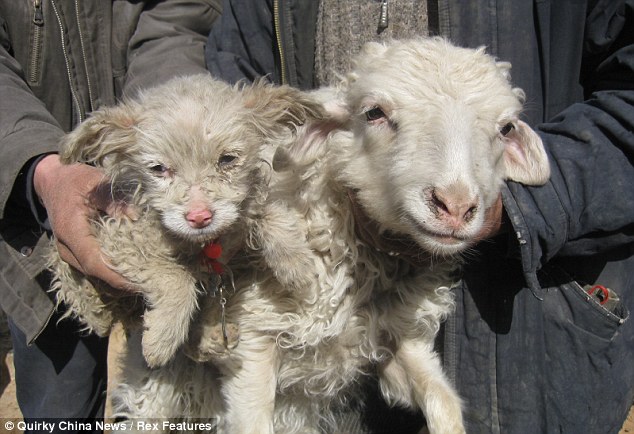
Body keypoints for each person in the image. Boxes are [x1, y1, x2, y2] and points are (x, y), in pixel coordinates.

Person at [205, 1, 634, 433]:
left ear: (517, 143)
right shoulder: (316, 125)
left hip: (518, 345)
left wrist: (531, 202)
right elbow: (227, 92)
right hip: (307, 279)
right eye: (377, 112)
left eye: (504, 128)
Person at [0, 1, 221, 431]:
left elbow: (179, 17)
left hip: (160, 209)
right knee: (57, 410)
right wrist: (43, 172)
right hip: (28, 213)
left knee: (165, 406)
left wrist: (157, 131)